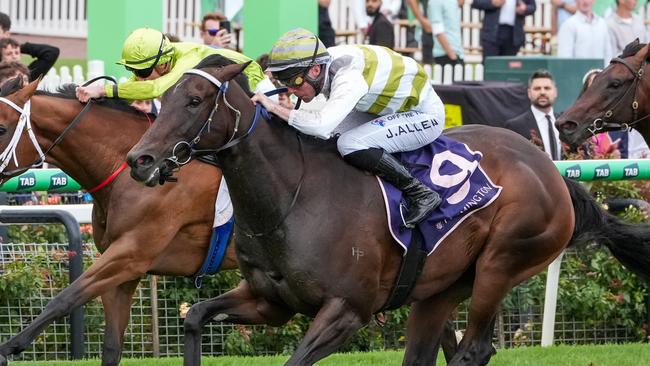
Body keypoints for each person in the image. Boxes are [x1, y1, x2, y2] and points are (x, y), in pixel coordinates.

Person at [252, 28, 446, 228]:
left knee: (349, 143)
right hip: (384, 110)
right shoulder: (325, 63)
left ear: (315, 70)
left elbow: (321, 125)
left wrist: (275, 107)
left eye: (294, 82)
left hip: (425, 115)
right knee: (330, 140)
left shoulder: (348, 77)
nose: (291, 90)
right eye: (285, 83)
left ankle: (421, 193)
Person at [75, 27, 274, 102]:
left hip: (255, 86)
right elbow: (132, 88)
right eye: (132, 69)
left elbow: (154, 88)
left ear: (162, 64)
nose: (138, 76)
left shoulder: (188, 59)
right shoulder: (159, 63)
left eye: (142, 70)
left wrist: (103, 90)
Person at [580, 68, 650, 158]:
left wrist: (616, 156)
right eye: (593, 86)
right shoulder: (579, 123)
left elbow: (626, 154)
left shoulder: (620, 123)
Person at [504, 70, 562, 160]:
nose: (542, 92)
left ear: (555, 92)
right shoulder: (515, 126)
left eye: (547, 88)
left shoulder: (564, 123)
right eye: (537, 88)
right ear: (529, 93)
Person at [0, 12, 59, 82]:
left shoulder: (26, 74)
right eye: (9, 54)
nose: (14, 56)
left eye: (16, 53)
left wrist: (13, 46)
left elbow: (51, 52)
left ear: (6, 34)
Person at [471, 0, 537, 61]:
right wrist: (492, 3)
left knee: (507, 67)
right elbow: (476, 2)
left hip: (513, 34)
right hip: (491, 34)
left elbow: (532, 7)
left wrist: (525, 8)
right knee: (491, 66)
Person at [557, 0, 613, 66]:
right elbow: (565, 58)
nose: (585, 2)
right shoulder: (568, 25)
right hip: (578, 74)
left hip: (601, 74)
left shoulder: (602, 24)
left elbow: (608, 54)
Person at [428, 0, 465, 65]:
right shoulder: (435, 2)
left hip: (457, 53)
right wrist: (452, 56)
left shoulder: (452, 1)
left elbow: (462, 2)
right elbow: (438, 31)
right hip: (445, 55)